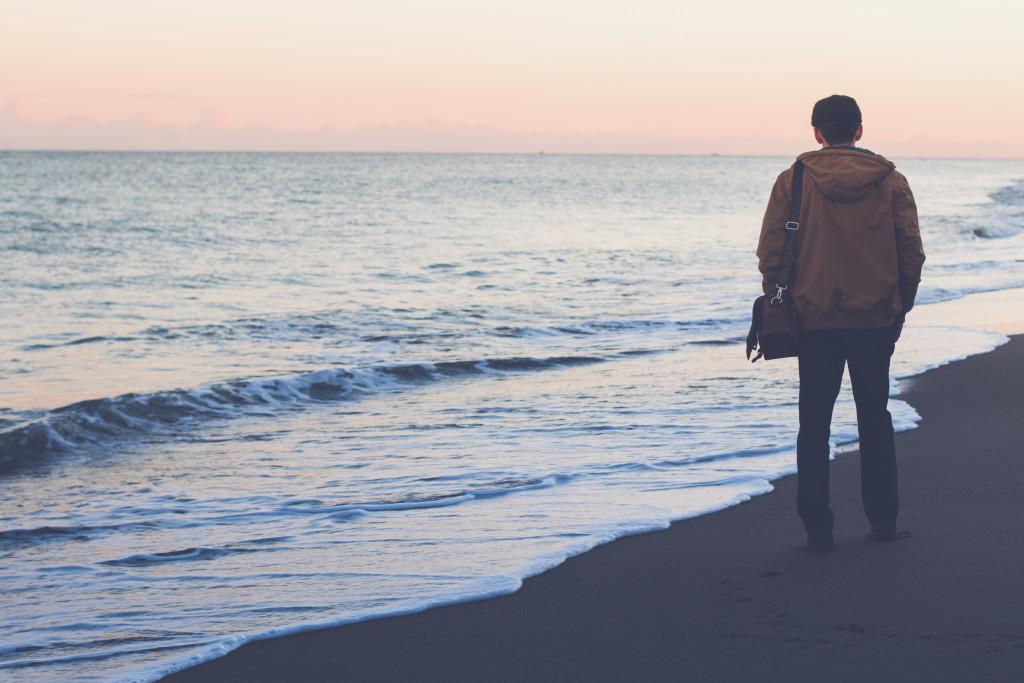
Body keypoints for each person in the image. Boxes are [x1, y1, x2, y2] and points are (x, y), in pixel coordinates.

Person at [756, 94, 926, 552]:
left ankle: (818, 529)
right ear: (859, 130)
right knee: (875, 418)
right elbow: (911, 251)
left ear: (816, 132)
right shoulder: (892, 182)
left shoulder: (793, 182)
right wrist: (899, 307)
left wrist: (783, 295)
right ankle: (884, 521)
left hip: (813, 321)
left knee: (814, 425)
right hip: (874, 319)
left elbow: (770, 254)